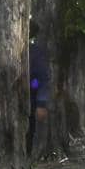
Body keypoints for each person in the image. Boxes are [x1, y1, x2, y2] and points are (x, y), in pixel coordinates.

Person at [27, 20, 49, 156]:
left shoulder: (35, 52)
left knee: (28, 133)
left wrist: (41, 103)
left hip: (29, 100)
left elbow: (41, 79)